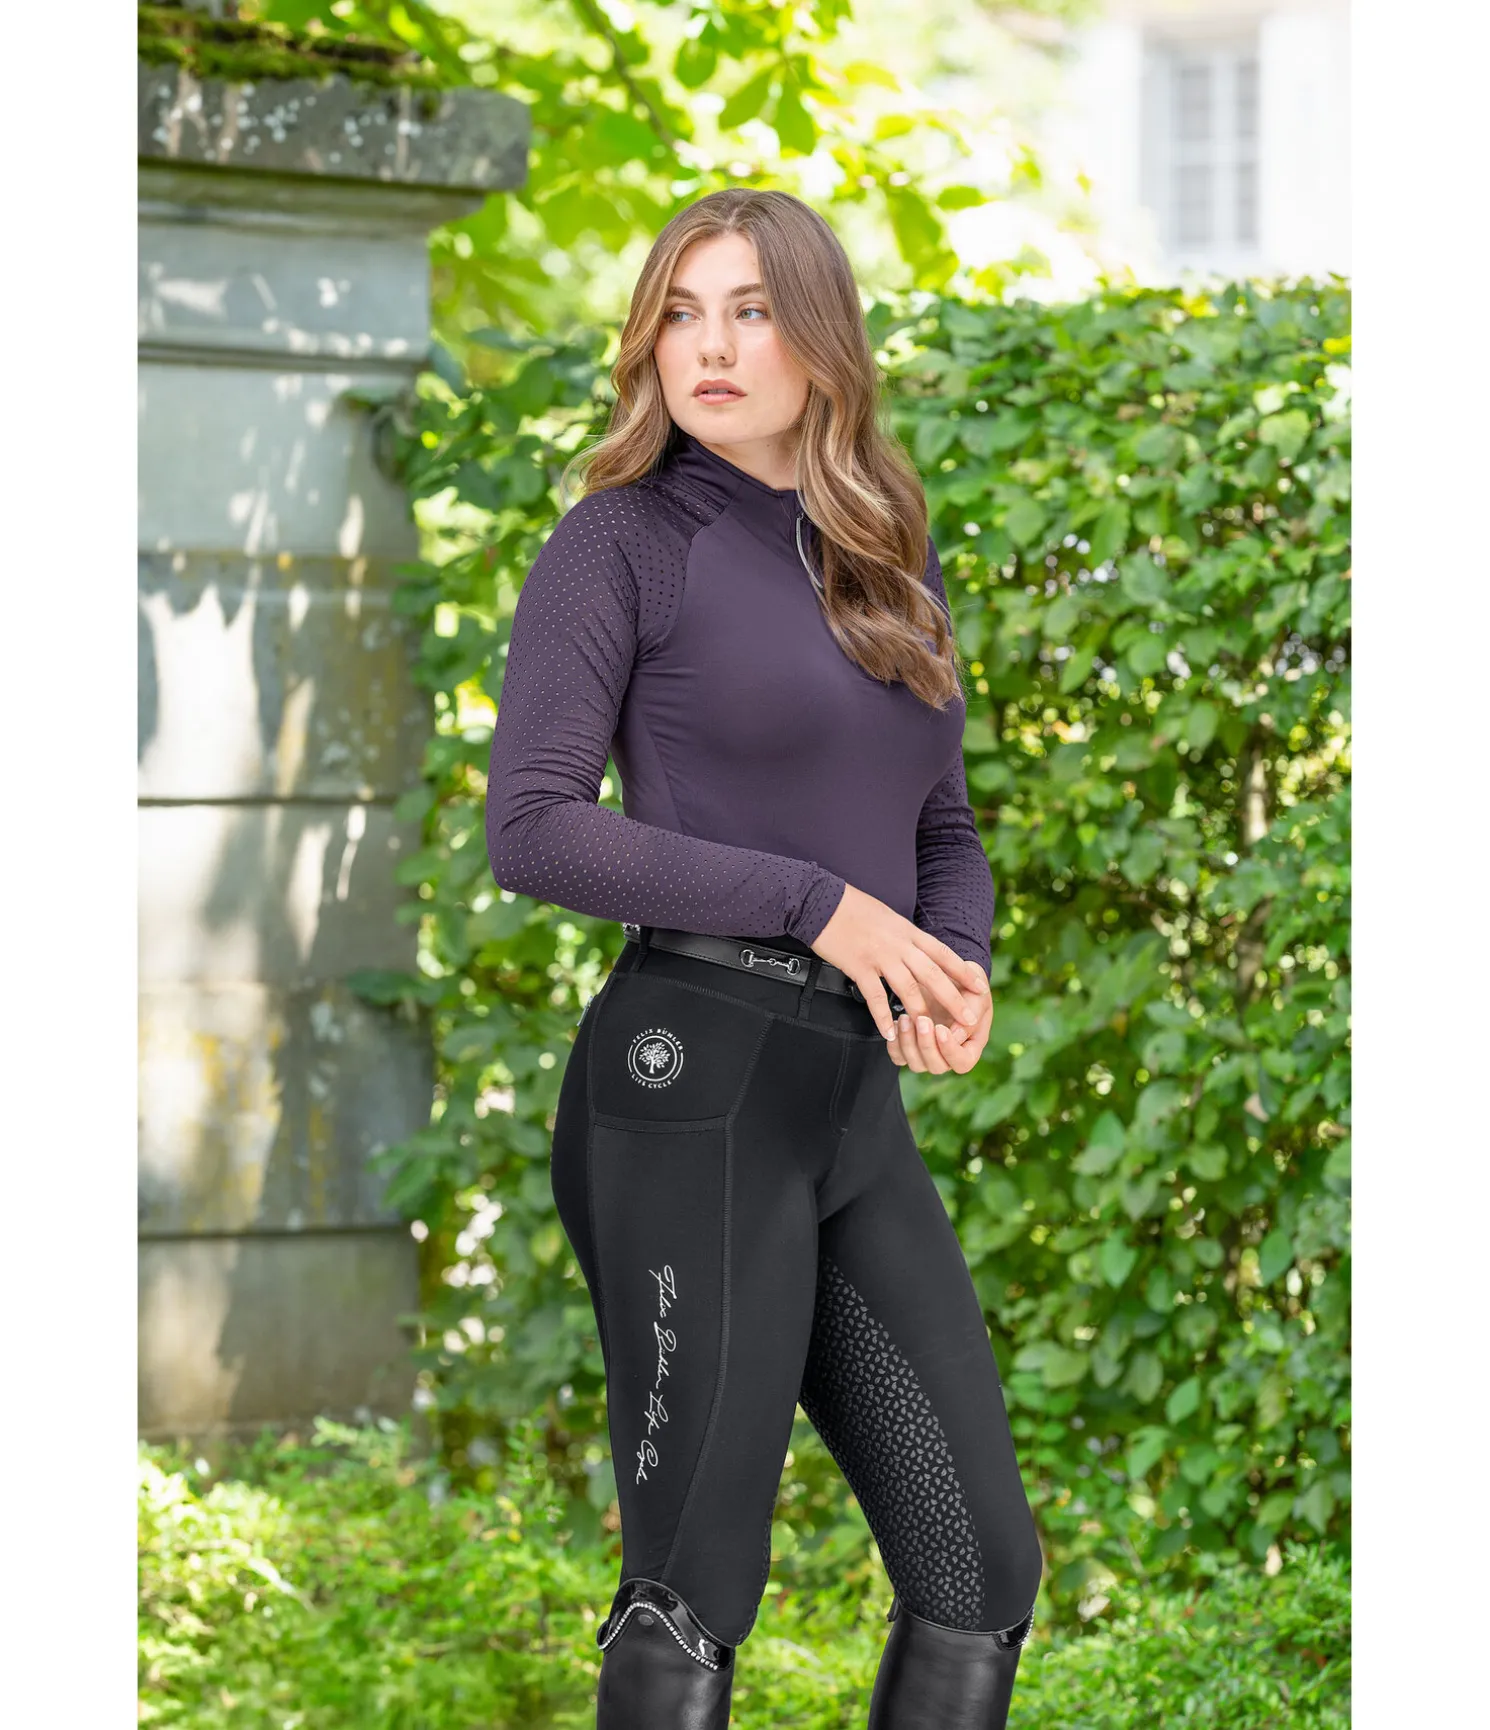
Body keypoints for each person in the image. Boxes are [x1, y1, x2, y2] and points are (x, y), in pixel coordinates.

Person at [485, 187, 1043, 1730]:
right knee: (691, 1579)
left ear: (821, 339)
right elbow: (532, 829)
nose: (709, 347)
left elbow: (939, 819)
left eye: (748, 311)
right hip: (691, 1087)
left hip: (846, 1099)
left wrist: (951, 958)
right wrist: (815, 905)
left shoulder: (886, 548)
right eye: (679, 312)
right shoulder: (619, 542)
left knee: (979, 1561)